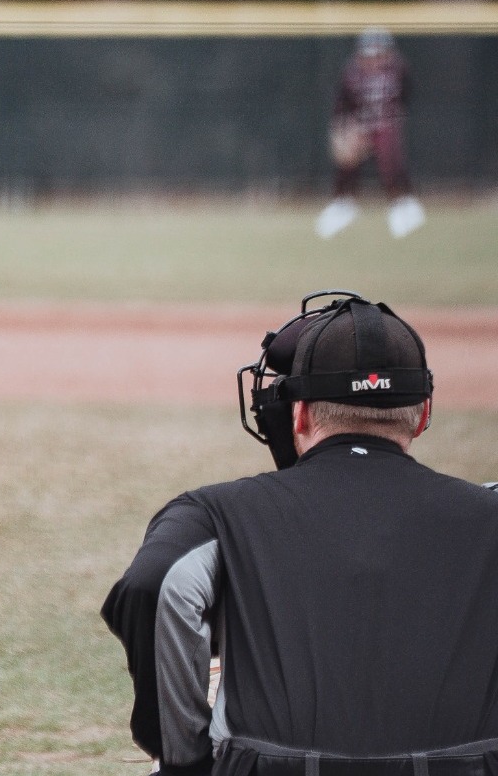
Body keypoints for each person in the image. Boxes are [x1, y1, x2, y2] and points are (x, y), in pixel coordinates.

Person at [102, 290, 498, 775]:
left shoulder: (214, 512)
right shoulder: (489, 511)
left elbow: (157, 585)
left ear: (300, 413)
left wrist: (184, 759)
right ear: (423, 413)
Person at [316, 27, 426, 239]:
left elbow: (406, 93)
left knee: (390, 162)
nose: (374, 60)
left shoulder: (398, 68)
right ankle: (343, 205)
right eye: (369, 55)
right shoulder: (352, 72)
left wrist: (394, 115)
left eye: (379, 54)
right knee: (347, 163)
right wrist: (342, 127)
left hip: (386, 121)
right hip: (361, 123)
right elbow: (342, 102)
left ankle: (403, 205)